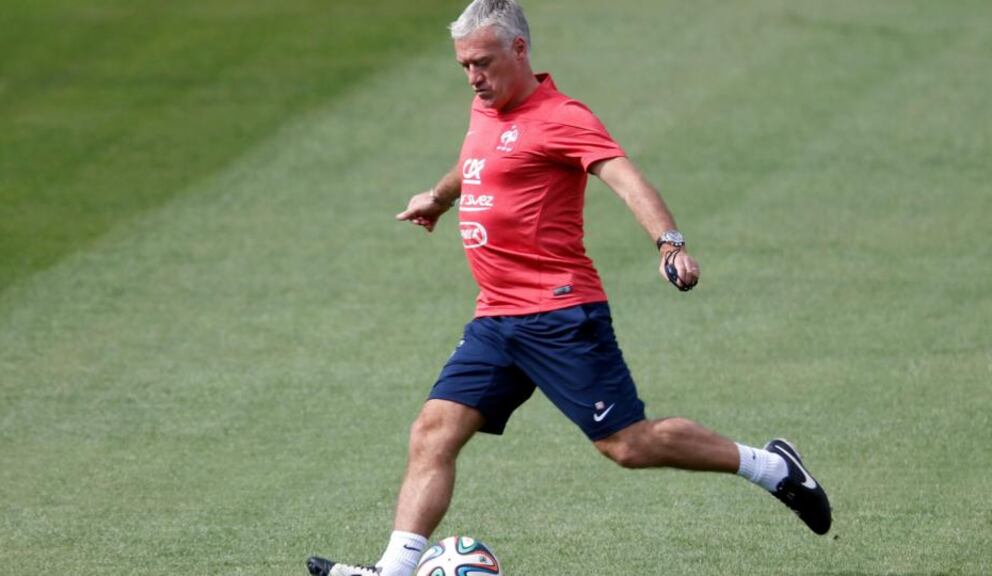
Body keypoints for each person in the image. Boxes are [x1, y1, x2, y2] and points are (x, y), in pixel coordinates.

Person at [307, 1, 830, 574]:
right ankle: (394, 571)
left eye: (481, 62)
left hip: (559, 315)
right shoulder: (484, 107)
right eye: (464, 66)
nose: (473, 77)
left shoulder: (563, 117)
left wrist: (669, 243)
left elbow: (626, 180)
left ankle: (772, 468)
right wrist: (438, 198)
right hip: (495, 319)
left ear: (519, 51)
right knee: (433, 431)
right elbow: (475, 162)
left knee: (628, 445)